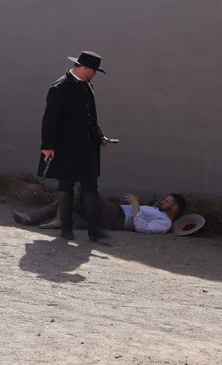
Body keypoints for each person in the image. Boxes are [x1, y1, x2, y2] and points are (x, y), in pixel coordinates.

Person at [39, 50, 117, 243]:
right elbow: (50, 119)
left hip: (87, 147)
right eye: (94, 70)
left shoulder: (87, 86)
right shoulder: (60, 87)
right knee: (65, 185)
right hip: (66, 147)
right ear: (85, 68)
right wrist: (48, 146)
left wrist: (99, 136)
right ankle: (66, 229)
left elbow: (90, 117)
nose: (95, 74)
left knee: (91, 186)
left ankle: (94, 230)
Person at [13, 192, 188, 233]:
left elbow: (142, 228)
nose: (162, 202)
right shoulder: (157, 211)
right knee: (69, 195)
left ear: (174, 209)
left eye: (167, 202)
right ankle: (31, 218)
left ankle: (62, 220)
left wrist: (135, 205)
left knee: (85, 188)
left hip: (117, 218)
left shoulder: (165, 223)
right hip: (116, 212)